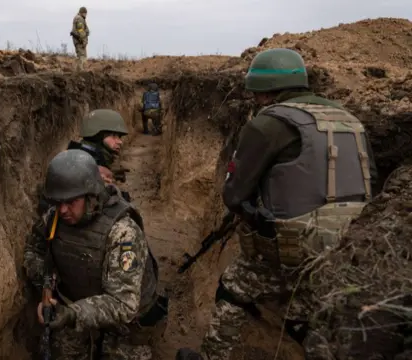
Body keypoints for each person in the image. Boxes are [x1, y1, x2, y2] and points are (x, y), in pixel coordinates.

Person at [175, 48, 378, 360]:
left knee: (232, 288)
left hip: (294, 247)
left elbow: (233, 195)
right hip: (348, 249)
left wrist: (255, 213)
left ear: (264, 91)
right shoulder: (349, 120)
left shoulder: (267, 124)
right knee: (314, 309)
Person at [24, 149, 168, 359]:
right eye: (58, 202)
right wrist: (47, 283)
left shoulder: (122, 232)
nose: (62, 210)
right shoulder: (54, 219)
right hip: (79, 309)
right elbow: (33, 250)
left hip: (125, 326)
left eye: (71, 201)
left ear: (90, 195)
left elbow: (123, 304)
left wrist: (72, 314)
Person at [70, 7, 90, 71]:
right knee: (82, 57)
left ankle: (78, 72)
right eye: (85, 13)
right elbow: (80, 30)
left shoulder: (79, 18)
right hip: (80, 41)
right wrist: (84, 41)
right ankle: (81, 72)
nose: (86, 15)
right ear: (83, 13)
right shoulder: (79, 19)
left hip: (78, 41)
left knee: (80, 56)